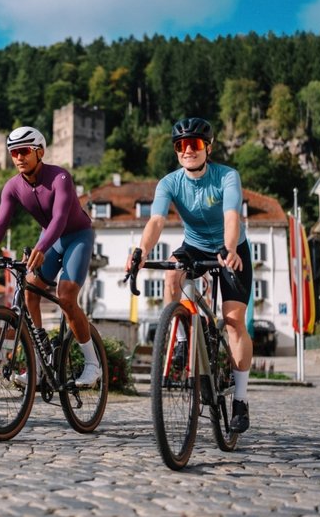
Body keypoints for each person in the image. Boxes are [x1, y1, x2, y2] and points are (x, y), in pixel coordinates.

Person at [125, 117, 253, 433]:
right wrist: (141, 251)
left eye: (194, 144)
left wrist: (229, 249)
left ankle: (240, 399)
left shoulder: (227, 176)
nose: (188, 150)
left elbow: (231, 214)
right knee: (172, 276)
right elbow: (156, 221)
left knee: (234, 323)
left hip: (232, 248)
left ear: (207, 147)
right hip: (194, 246)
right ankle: (182, 340)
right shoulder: (169, 183)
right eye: (181, 145)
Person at [0, 126, 100, 387]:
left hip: (77, 235)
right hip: (50, 239)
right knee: (30, 293)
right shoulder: (12, 187)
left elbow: (59, 219)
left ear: (40, 152)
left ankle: (92, 365)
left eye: (24, 151)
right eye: (14, 152)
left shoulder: (60, 178)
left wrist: (40, 248)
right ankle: (39, 362)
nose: (18, 158)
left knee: (66, 296)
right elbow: (0, 224)